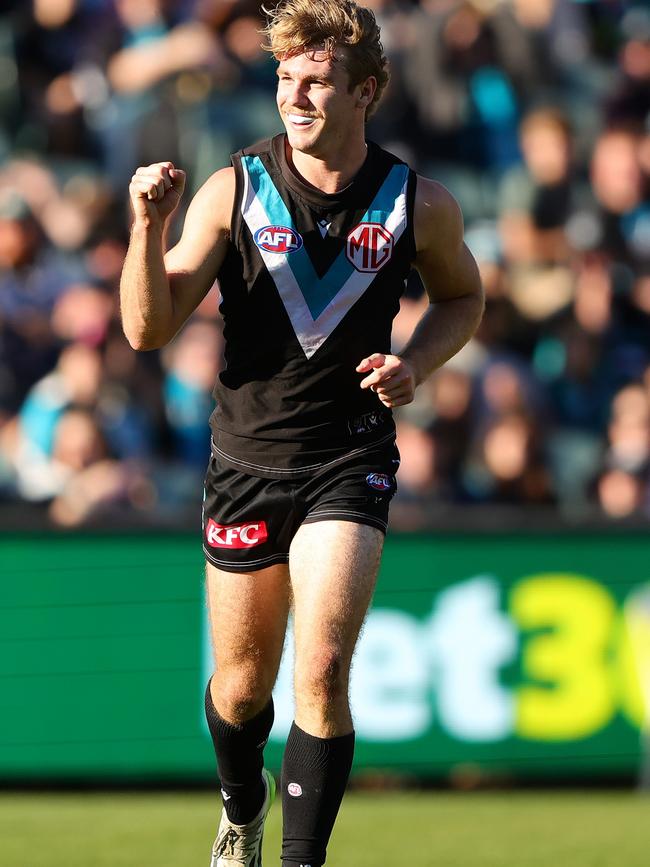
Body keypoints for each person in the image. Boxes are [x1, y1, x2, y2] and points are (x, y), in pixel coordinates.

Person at [119, 2, 484, 864]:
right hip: (245, 462)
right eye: (286, 78)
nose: (297, 94)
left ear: (366, 92)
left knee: (320, 668)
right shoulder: (235, 188)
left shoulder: (416, 203)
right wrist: (146, 226)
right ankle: (240, 807)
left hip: (349, 456)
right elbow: (146, 328)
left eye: (318, 80)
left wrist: (418, 366)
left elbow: (464, 297)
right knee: (244, 693)